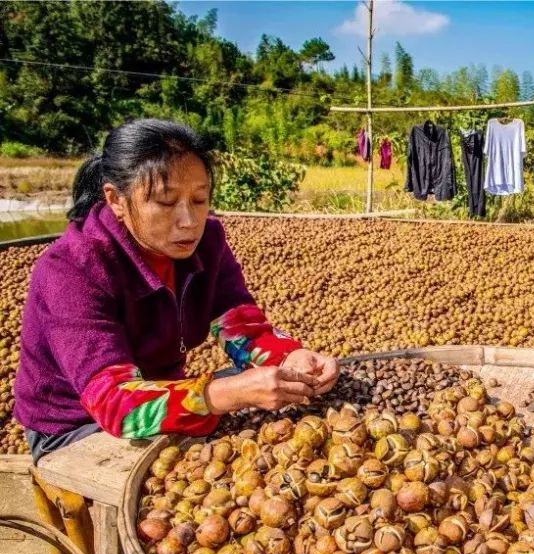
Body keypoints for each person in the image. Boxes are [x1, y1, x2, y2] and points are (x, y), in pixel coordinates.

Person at [15, 119, 340, 463]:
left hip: (168, 394)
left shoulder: (207, 242)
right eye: (166, 202)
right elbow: (114, 404)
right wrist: (222, 394)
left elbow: (238, 323)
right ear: (116, 199)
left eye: (199, 200)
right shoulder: (72, 269)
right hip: (77, 426)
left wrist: (288, 358)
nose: (188, 221)